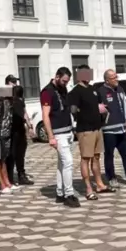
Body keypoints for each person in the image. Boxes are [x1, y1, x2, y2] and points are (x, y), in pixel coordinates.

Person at [68, 65, 111, 200]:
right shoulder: (75, 91)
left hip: (97, 127)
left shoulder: (93, 89)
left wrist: (103, 109)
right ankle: (88, 188)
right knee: (86, 158)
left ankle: (99, 184)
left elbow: (99, 104)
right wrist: (81, 111)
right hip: (85, 129)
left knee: (97, 156)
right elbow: (73, 109)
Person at [41, 67, 80, 207]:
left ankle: (60, 192)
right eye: (63, 81)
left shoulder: (63, 89)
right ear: (57, 77)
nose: (65, 84)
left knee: (62, 164)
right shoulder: (47, 92)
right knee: (68, 162)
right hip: (58, 133)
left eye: (67, 81)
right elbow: (45, 116)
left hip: (68, 131)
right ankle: (69, 194)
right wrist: (50, 136)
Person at [99, 69, 126, 186]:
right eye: (113, 78)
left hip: (122, 127)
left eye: (116, 76)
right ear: (107, 80)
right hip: (109, 129)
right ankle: (111, 177)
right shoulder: (101, 91)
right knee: (109, 155)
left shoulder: (120, 89)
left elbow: (124, 105)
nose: (116, 79)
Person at [6, 82, 34, 186]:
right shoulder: (9, 101)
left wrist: (29, 126)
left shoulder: (20, 102)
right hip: (12, 131)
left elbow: (24, 113)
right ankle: (11, 177)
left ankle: (20, 175)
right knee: (13, 155)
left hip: (19, 130)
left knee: (19, 154)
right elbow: (23, 114)